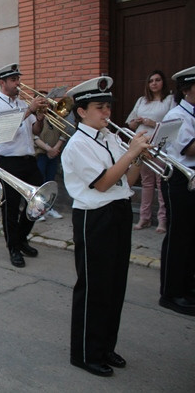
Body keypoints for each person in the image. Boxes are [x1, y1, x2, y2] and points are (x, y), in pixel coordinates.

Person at [62, 76, 150, 377]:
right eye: (100, 108)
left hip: (119, 211)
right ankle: (85, 353)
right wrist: (131, 153)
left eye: (108, 107)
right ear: (82, 111)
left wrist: (139, 159)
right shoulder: (77, 145)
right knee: (94, 288)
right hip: (94, 217)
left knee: (115, 286)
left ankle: (104, 346)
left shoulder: (110, 137)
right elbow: (102, 183)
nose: (107, 113)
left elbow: (129, 180)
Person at [0, 63, 47, 268]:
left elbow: (35, 131)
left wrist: (40, 118)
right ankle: (13, 247)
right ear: (2, 82)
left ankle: (21, 238)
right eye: (13, 80)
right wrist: (30, 110)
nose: (18, 83)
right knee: (10, 209)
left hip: (29, 161)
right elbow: (4, 130)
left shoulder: (23, 104)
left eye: (18, 78)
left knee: (39, 203)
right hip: (8, 161)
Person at [158, 66, 195, 316]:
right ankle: (170, 293)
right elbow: (189, 149)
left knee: (191, 237)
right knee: (178, 237)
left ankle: (187, 285)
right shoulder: (177, 115)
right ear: (186, 90)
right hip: (179, 179)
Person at [125, 70, 173, 233]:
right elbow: (130, 125)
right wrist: (136, 121)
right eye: (151, 80)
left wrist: (153, 123)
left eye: (157, 80)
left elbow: (173, 124)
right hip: (142, 146)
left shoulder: (169, 99)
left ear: (163, 82)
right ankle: (144, 218)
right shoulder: (141, 100)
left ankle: (162, 220)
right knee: (146, 183)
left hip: (160, 146)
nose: (154, 83)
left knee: (161, 184)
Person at [33, 98, 66, 221]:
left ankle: (49, 208)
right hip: (41, 154)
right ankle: (38, 209)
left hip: (54, 155)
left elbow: (63, 134)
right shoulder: (37, 118)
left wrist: (55, 149)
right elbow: (34, 136)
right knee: (40, 183)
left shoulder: (56, 118)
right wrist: (48, 149)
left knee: (51, 182)